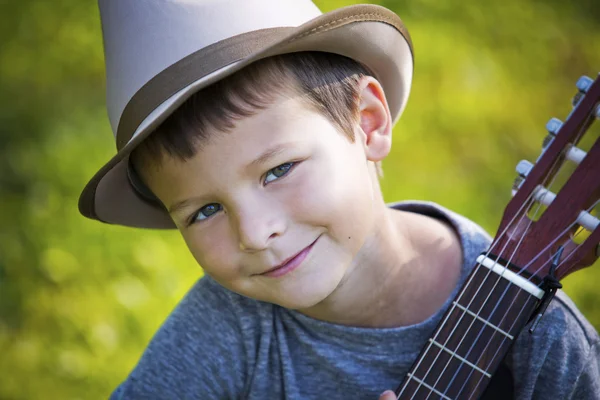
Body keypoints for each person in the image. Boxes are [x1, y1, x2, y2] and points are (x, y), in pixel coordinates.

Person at [79, 0, 600, 398]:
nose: (256, 234)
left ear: (368, 123)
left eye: (278, 170)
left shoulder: (539, 335)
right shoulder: (225, 329)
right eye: (205, 211)